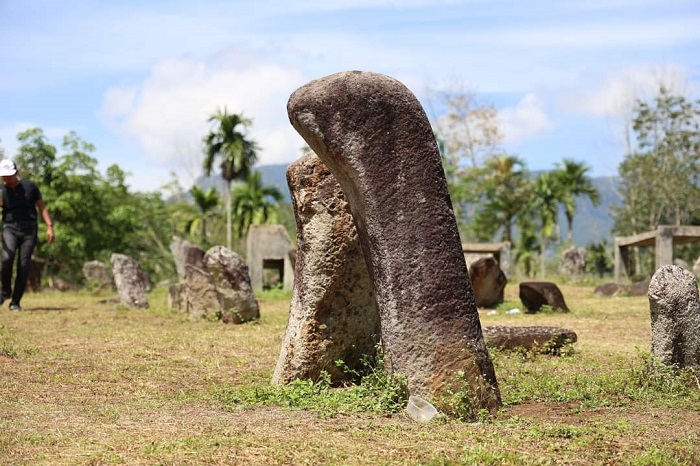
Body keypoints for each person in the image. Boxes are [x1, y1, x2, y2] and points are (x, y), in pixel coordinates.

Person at [0, 159, 54, 311]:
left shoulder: (30, 186)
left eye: (9, 175)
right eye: (3, 176)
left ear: (16, 173)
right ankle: (5, 291)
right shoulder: (1, 190)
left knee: (23, 265)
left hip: (29, 230)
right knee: (6, 258)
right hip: (9, 228)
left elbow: (41, 206)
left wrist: (49, 226)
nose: (6, 179)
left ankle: (15, 302)